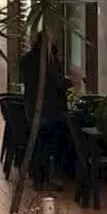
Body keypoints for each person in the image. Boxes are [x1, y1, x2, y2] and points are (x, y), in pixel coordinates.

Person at [19, 33, 71, 190]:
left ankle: (38, 177)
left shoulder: (27, 59)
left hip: (32, 109)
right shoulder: (51, 61)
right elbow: (57, 83)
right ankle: (53, 176)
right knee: (54, 143)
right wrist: (70, 82)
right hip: (51, 111)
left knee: (37, 144)